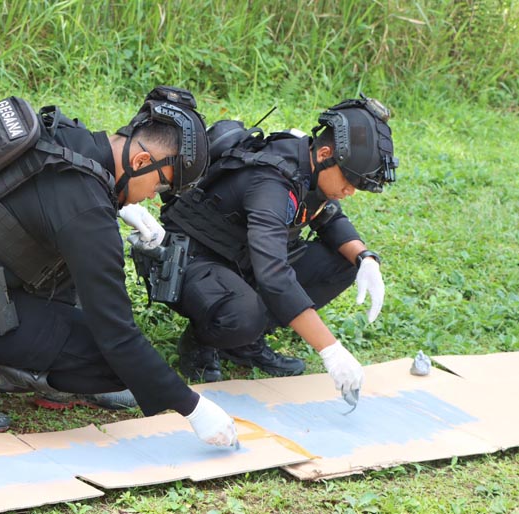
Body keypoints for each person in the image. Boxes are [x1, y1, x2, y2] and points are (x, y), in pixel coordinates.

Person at [0, 86, 238, 447]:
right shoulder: (88, 215)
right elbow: (117, 333)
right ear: (141, 162)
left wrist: (122, 205)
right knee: (115, 363)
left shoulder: (68, 137)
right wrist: (195, 409)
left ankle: (33, 367)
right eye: (158, 188)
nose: (152, 200)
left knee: (103, 334)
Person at [128, 95, 398, 405]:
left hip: (241, 261)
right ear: (324, 153)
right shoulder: (271, 182)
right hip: (194, 260)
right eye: (350, 180)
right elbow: (273, 275)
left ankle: (243, 344)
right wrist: (331, 350)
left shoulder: (309, 166)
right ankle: (202, 341)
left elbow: (328, 216)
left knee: (343, 261)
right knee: (244, 315)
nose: (350, 191)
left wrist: (366, 258)